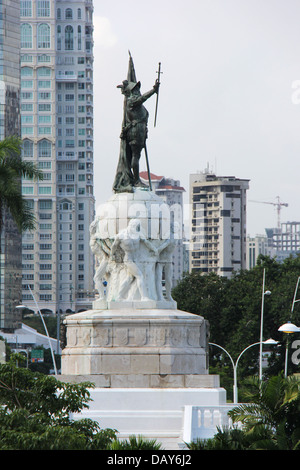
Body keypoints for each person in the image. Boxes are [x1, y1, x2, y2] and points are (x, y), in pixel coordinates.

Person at [113, 79, 159, 192]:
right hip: (135, 130)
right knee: (135, 155)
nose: (138, 90)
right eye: (136, 89)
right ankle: (136, 179)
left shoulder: (136, 102)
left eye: (138, 88)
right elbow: (142, 98)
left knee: (137, 155)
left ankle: (136, 178)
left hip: (141, 130)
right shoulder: (131, 101)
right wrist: (153, 90)